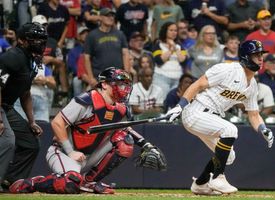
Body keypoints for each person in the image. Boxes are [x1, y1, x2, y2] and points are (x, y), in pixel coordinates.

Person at [9, 67, 166, 194]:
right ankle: (34, 183)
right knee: (70, 184)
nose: (124, 89)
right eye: (119, 84)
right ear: (104, 84)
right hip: (64, 153)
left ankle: (89, 182)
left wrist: (147, 146)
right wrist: (70, 152)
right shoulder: (85, 101)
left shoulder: (121, 109)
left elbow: (126, 129)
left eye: (126, 85)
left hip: (90, 155)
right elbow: (57, 122)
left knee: (125, 140)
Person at [166, 40, 274, 195]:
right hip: (196, 112)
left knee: (229, 156)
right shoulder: (227, 69)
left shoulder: (253, 86)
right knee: (230, 129)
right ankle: (218, 178)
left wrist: (264, 129)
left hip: (210, 118)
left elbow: (254, 114)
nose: (261, 58)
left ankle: (200, 183)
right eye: (256, 54)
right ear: (245, 56)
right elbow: (198, 84)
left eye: (261, 54)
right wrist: (180, 106)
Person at [0, 22, 47, 190]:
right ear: (21, 41)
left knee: (31, 143)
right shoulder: (11, 57)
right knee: (7, 140)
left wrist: (31, 121)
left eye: (42, 39)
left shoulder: (32, 61)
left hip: (7, 106)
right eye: (35, 39)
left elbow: (25, 92)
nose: (40, 43)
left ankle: (9, 181)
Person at [84, 8, 130, 88]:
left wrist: (126, 75)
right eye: (107, 15)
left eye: (112, 16)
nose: (111, 18)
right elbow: (86, 58)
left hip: (118, 78)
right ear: (100, 17)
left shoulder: (120, 34)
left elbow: (125, 54)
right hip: (100, 78)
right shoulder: (92, 35)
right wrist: (91, 78)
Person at [245, 9, 275, 74]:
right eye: (264, 19)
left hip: (272, 75)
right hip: (255, 74)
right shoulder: (250, 37)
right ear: (258, 21)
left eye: (268, 19)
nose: (267, 22)